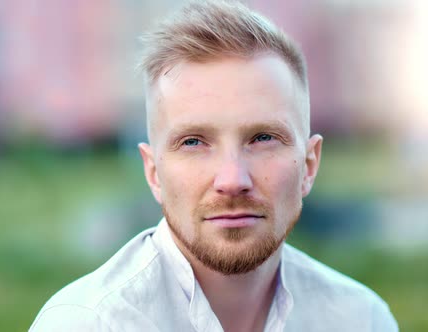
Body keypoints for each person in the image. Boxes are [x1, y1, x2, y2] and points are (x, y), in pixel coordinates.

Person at [29, 1, 398, 331]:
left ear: (309, 165)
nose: (233, 180)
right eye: (193, 142)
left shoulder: (361, 319)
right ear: (153, 173)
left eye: (262, 138)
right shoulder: (87, 323)